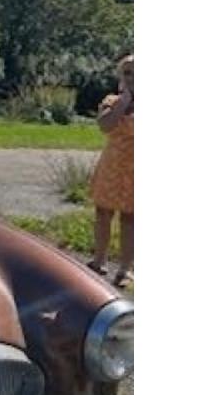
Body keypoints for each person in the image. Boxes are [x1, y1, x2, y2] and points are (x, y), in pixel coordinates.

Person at [88, 55, 134, 286]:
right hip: (112, 166)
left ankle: (125, 269)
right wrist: (123, 103)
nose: (132, 77)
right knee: (103, 213)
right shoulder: (112, 101)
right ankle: (99, 261)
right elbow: (104, 126)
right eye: (127, 72)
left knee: (131, 218)